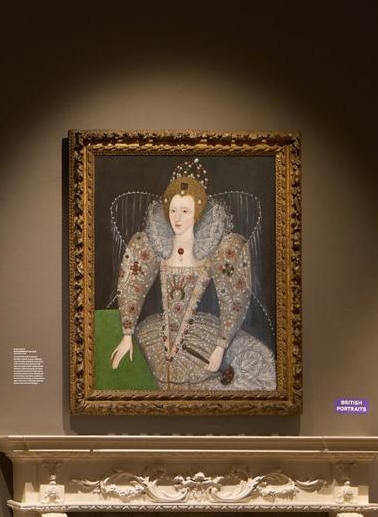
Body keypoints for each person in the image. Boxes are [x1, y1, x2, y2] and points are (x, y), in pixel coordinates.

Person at [108, 158, 274, 389]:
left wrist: (220, 346)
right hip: (156, 336)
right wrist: (127, 334)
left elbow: (233, 299)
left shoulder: (220, 249)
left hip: (200, 337)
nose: (177, 218)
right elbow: (133, 286)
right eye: (173, 210)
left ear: (197, 213)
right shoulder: (152, 245)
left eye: (185, 211)